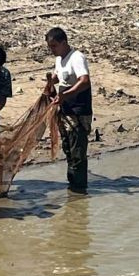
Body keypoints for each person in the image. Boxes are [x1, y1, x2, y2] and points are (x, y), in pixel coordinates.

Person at [44, 27, 93, 194]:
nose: (52, 50)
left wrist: (66, 95)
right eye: (50, 47)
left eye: (54, 46)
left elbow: (84, 81)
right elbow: (61, 76)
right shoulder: (60, 58)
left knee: (77, 151)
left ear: (64, 42)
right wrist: (52, 82)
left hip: (79, 112)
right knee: (68, 148)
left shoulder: (77, 58)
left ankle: (78, 190)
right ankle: (73, 186)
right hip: (65, 110)